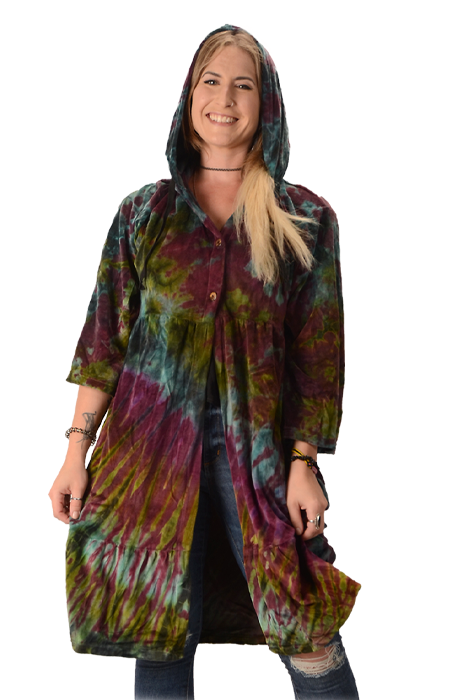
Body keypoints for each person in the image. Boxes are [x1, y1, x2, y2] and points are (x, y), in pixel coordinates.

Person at [49, 24, 361, 700]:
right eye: (211, 82)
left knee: (306, 627)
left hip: (259, 455)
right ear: (190, 97)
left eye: (243, 85)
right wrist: (76, 451)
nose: (225, 99)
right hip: (148, 456)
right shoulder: (144, 214)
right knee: (159, 630)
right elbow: (104, 342)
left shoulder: (304, 218)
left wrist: (304, 463)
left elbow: (318, 355)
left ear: (265, 103)